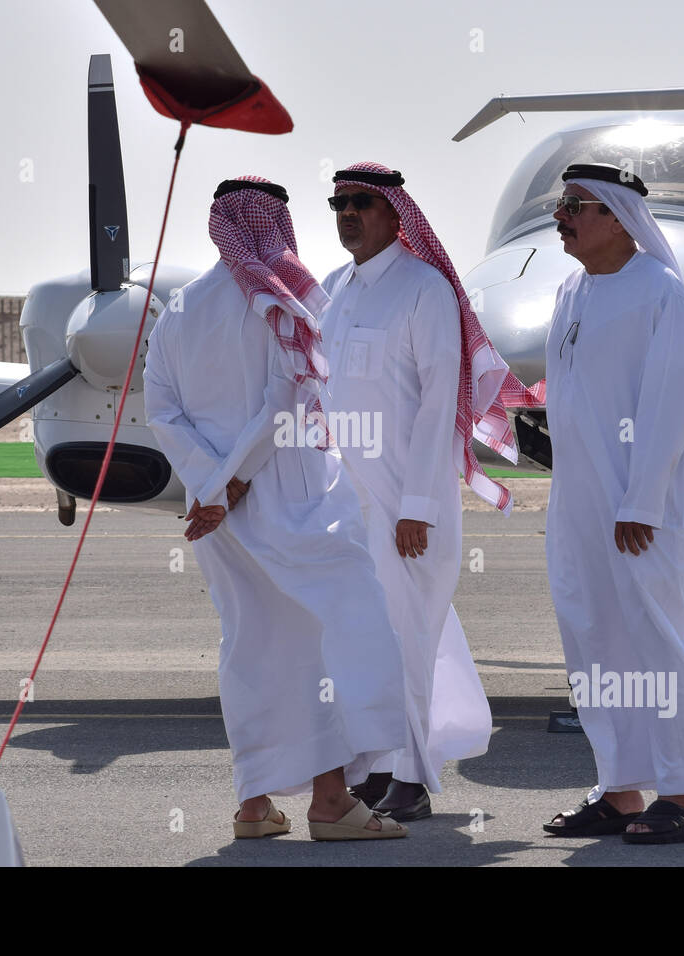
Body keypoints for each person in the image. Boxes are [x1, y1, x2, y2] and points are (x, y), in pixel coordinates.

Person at [143, 175, 411, 841]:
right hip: (295, 500)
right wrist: (235, 483)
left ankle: (255, 805)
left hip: (219, 520)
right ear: (272, 224)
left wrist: (211, 486)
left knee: (253, 647)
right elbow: (286, 399)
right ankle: (330, 802)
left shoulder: (177, 309)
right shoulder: (279, 300)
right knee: (336, 639)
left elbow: (162, 412)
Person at [318, 162, 545, 820]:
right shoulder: (336, 290)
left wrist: (417, 507)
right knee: (362, 637)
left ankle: (413, 775)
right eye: (339, 204)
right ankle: (376, 766)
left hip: (408, 503)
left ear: (396, 214)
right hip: (348, 502)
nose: (349, 213)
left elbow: (436, 402)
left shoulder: (425, 291)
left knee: (411, 635)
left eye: (362, 202)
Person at [538, 162, 684, 844]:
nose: (562, 215)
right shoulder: (571, 289)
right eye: (562, 204)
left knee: (652, 643)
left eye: (577, 205)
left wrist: (640, 502)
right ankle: (620, 789)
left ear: (616, 216)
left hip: (641, 510)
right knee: (593, 641)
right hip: (577, 506)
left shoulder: (659, 291)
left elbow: (669, 407)